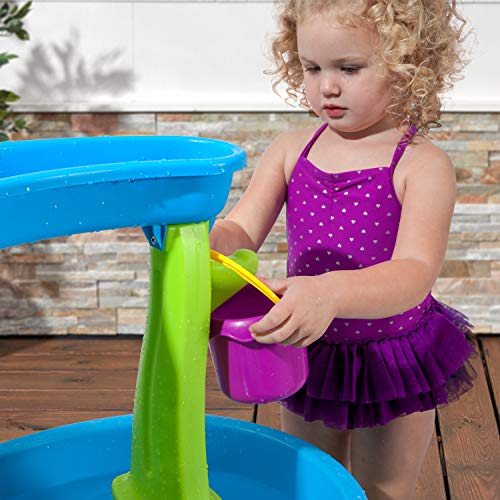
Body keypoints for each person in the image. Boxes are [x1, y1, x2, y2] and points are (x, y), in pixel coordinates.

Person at [209, 1, 476, 498]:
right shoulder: (291, 150)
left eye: (348, 69)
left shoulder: (421, 164)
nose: (326, 86)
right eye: (312, 67)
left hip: (393, 353)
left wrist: (330, 293)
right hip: (307, 346)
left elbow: (415, 271)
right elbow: (241, 229)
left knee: (384, 489)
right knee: (311, 482)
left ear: (407, 64)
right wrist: (203, 240)